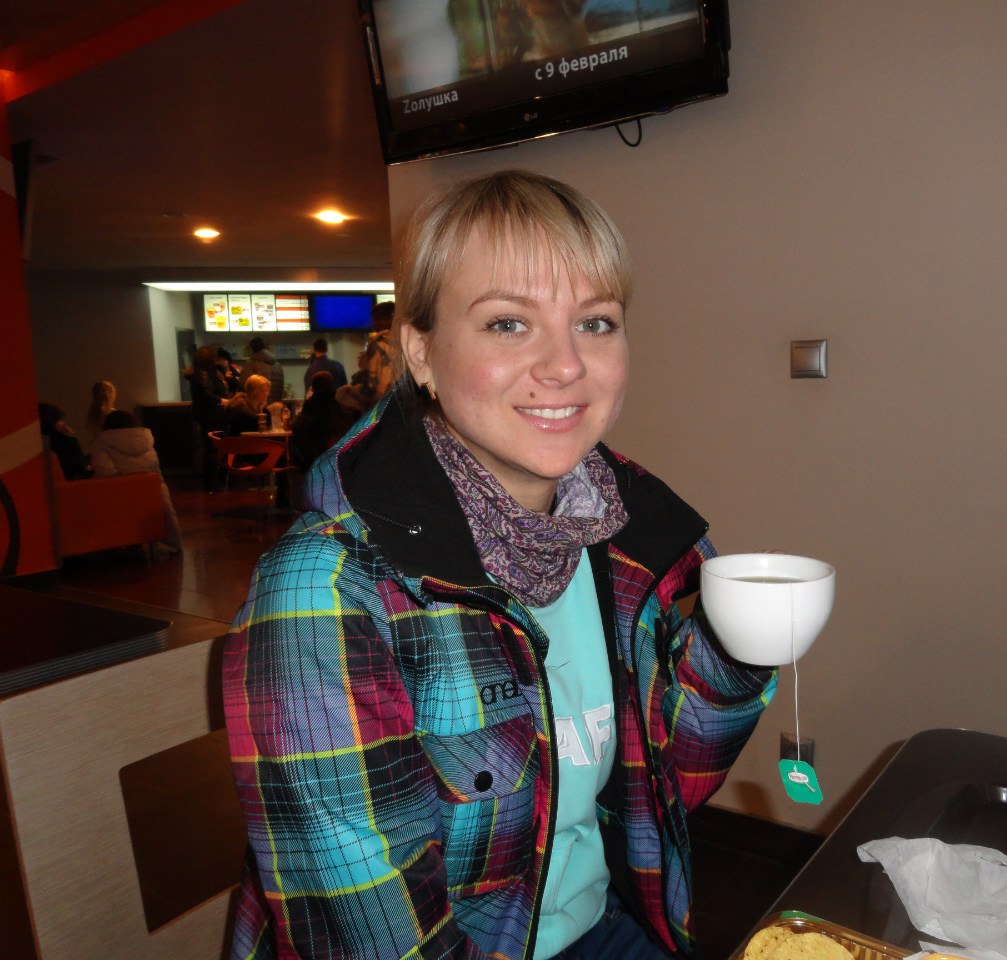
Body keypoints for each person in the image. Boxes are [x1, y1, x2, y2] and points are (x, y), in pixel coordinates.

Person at [223, 170, 777, 960]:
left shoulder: (625, 541)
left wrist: (739, 648)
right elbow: (377, 943)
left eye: (595, 322)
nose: (565, 365)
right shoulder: (326, 589)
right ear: (421, 352)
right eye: (509, 323)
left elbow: (665, 787)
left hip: (599, 921)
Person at [88, 410, 183, 552]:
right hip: (150, 488)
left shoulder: (101, 441)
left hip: (119, 491)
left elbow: (104, 470)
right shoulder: (145, 439)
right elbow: (154, 467)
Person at [186, 345, 231, 492]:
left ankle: (212, 483)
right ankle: (212, 483)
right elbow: (207, 395)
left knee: (211, 449)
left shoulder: (200, 373)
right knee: (212, 449)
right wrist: (222, 401)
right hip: (211, 416)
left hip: (206, 415)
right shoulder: (204, 374)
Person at [288, 370, 351, 472]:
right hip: (339, 447)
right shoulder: (339, 402)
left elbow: (300, 426)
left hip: (317, 450)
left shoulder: (311, 404)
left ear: (313, 387)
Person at [38, 402, 91, 479]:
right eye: (60, 419)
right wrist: (72, 438)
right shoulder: (65, 441)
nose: (63, 423)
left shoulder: (37, 441)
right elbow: (80, 466)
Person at [242, 336, 285, 403]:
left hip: (259, 404)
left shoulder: (251, 364)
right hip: (275, 404)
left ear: (252, 349)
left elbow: (244, 385)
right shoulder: (277, 365)